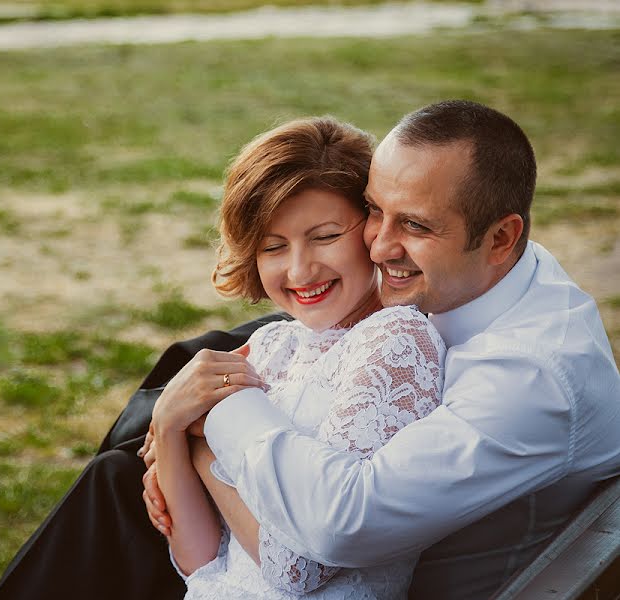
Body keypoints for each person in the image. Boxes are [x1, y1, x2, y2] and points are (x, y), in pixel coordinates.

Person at [0, 100, 620, 600]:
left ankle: (150, 444)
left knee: (121, 478)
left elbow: (336, 526)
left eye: (416, 226)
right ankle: (153, 434)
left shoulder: (530, 380)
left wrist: (202, 428)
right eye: (375, 211)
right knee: (195, 356)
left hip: (348, 563)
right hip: (306, 498)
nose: (377, 246)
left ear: (501, 237)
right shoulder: (509, 267)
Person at [146, 116, 447, 598]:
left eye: (325, 236)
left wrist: (203, 447)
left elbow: (298, 569)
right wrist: (168, 428)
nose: (300, 270)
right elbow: (201, 561)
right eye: (273, 247)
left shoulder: (396, 341)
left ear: (371, 228)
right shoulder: (271, 345)